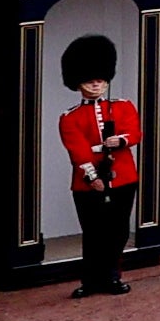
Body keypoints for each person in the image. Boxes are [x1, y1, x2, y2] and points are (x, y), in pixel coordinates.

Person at [51, 33, 143, 295]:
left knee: (118, 232)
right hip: (88, 182)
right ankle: (90, 281)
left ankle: (112, 277)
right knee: (93, 234)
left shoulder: (123, 107)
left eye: (100, 80)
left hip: (123, 177)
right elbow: (78, 151)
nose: (96, 85)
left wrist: (120, 141)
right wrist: (93, 177)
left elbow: (134, 133)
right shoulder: (70, 117)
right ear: (79, 83)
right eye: (90, 81)